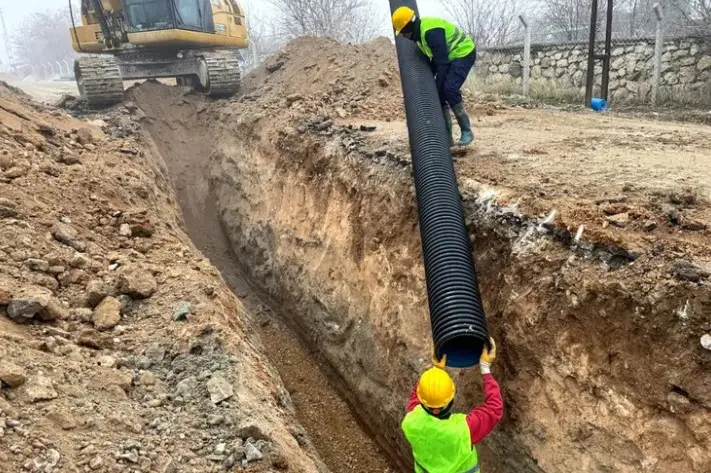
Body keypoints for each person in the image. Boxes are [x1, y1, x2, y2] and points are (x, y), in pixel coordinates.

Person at [402, 338, 503, 473]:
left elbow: (421, 393)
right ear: (450, 400)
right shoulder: (462, 430)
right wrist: (485, 368)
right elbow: (494, 408)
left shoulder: (411, 421)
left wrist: (436, 370)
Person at [392, 6, 477, 147]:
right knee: (441, 93)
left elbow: (442, 63)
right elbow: (434, 62)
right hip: (450, 57)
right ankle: (447, 137)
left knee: (449, 89)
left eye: (402, 32)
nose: (403, 36)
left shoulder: (430, 32)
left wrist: (436, 89)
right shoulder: (419, 36)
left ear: (408, 27)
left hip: (463, 53)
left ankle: (466, 130)